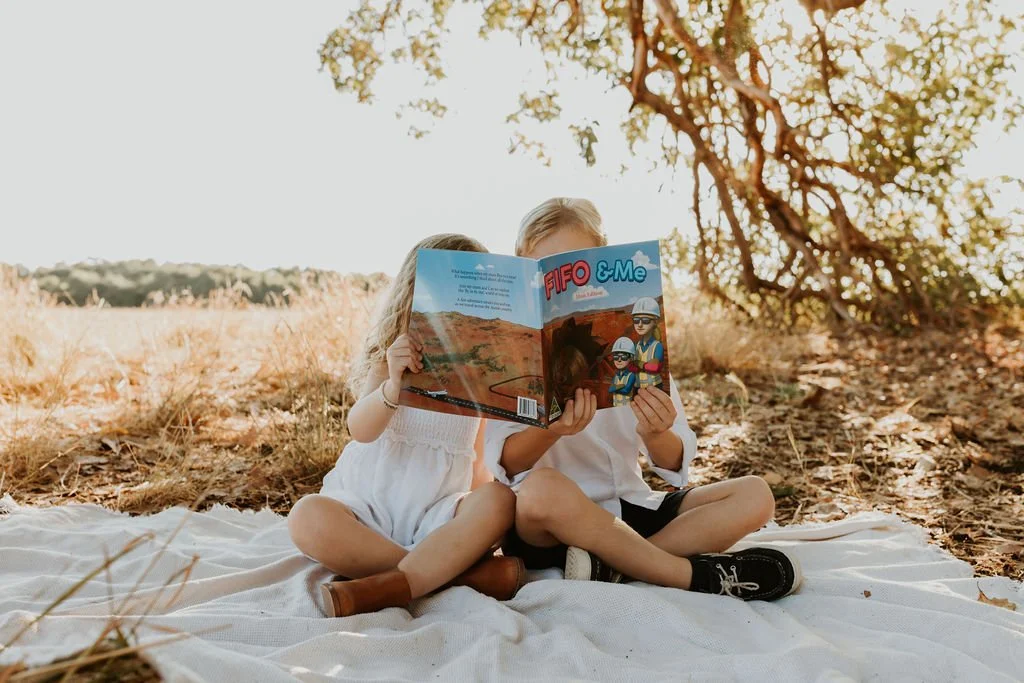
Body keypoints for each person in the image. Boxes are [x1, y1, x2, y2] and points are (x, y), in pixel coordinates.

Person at [486, 198, 801, 601]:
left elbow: (672, 463)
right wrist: (551, 431)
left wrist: (656, 433)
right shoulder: (513, 358)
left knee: (755, 494)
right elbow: (507, 464)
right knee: (540, 490)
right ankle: (685, 574)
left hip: (631, 508)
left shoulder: (639, 349)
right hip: (549, 527)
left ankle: (614, 568)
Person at [288, 234, 525, 618]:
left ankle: (398, 580)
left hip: (437, 513)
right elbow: (360, 430)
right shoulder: (391, 358)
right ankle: (454, 577)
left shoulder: (480, 376)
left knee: (500, 500)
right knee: (305, 517)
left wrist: (482, 522)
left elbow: (478, 463)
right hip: (368, 508)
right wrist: (392, 386)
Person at [631, 297, 665, 391]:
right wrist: (644, 365)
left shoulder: (657, 346)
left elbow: (654, 367)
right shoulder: (636, 345)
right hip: (638, 388)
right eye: (636, 320)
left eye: (645, 320)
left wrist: (638, 363)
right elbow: (631, 368)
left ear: (655, 322)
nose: (640, 325)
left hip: (654, 388)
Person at [608, 337, 638, 407]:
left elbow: (626, 390)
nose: (619, 360)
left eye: (623, 357)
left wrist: (615, 388)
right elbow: (610, 389)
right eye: (616, 357)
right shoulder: (616, 376)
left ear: (630, 358)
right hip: (615, 407)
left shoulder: (631, 375)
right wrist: (620, 386)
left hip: (627, 408)